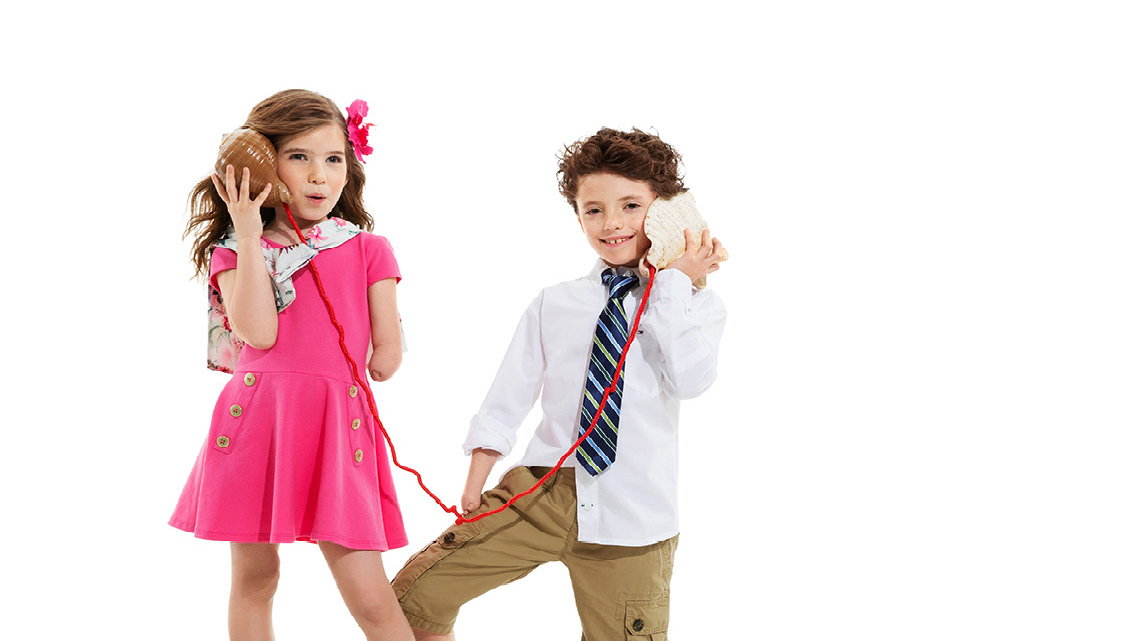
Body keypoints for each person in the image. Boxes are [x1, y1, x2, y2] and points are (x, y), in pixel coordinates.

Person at [391, 127, 728, 640]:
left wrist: (675, 281)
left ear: (664, 211)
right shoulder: (556, 302)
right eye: (594, 210)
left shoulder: (693, 305)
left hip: (632, 516)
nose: (611, 223)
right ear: (578, 217)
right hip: (540, 492)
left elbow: (691, 381)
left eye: (631, 206)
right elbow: (506, 398)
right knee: (411, 599)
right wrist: (475, 483)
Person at [170, 89, 414, 641]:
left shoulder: (368, 248)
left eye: (333, 159)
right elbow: (259, 333)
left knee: (371, 596)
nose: (319, 176)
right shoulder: (236, 251)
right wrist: (250, 234)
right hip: (259, 425)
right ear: (264, 165)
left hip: (336, 428)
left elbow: (387, 356)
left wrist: (378, 338)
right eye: (299, 157)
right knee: (257, 579)